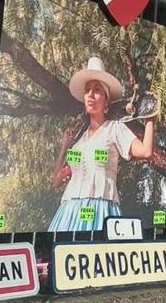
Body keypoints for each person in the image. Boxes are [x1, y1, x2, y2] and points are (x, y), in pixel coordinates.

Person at [49, 56, 155, 232]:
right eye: (88, 90)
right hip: (69, 213)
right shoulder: (78, 142)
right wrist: (64, 147)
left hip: (101, 210)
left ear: (106, 99)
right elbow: (56, 182)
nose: (91, 95)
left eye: (97, 90)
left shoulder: (115, 129)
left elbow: (145, 151)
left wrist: (150, 118)